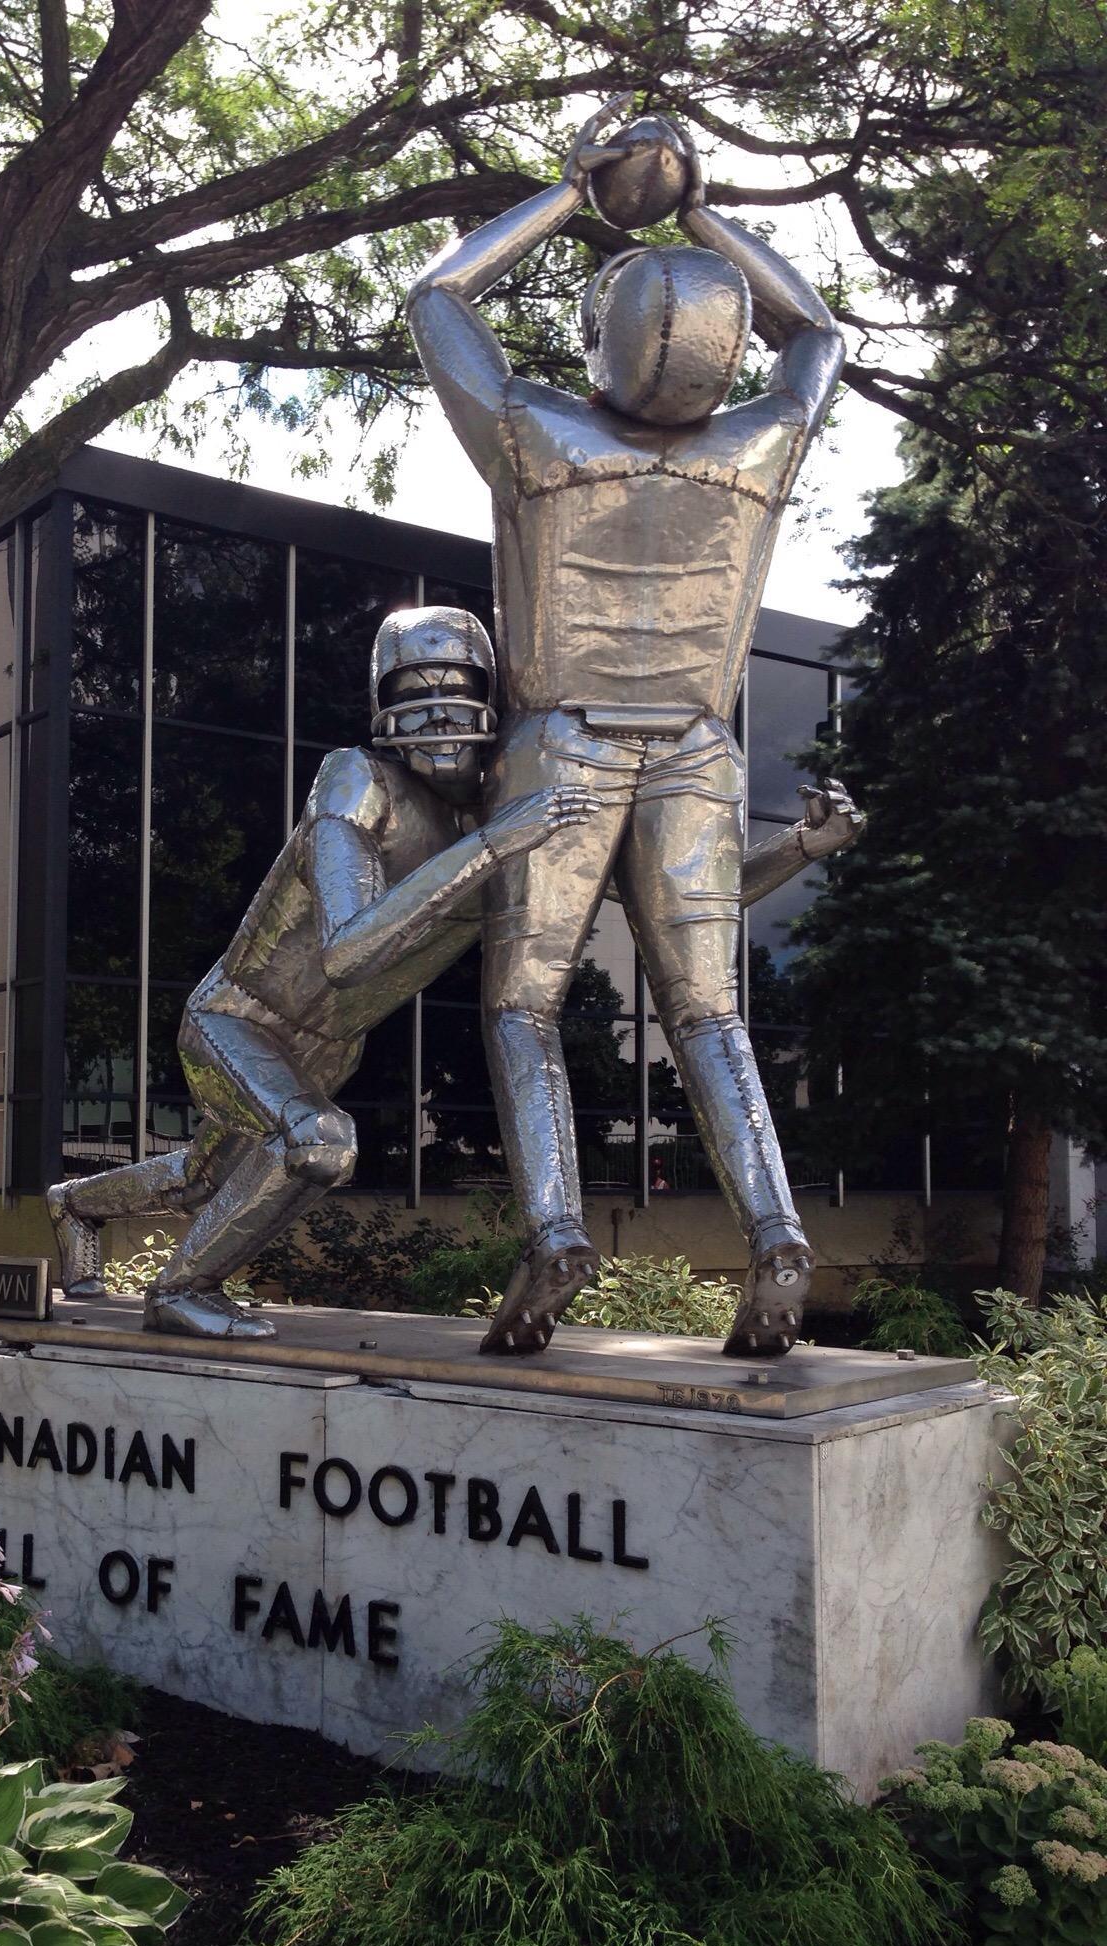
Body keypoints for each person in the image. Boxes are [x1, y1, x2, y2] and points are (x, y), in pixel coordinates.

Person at [407, 97, 847, 1359]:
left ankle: (553, 1228)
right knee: (711, 1015)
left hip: (565, 742)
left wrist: (574, 192)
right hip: (697, 749)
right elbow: (816, 330)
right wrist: (693, 198)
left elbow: (437, 301)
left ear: (608, 344)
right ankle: (773, 1230)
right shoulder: (760, 449)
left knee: (524, 1008)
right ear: (720, 352)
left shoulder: (540, 433)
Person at [46, 607, 602, 1339]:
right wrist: (496, 845)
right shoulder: (356, 780)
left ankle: (75, 1203)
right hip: (237, 1020)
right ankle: (181, 1288)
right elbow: (346, 953)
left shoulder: (505, 818)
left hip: (329, 1046)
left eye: (453, 686)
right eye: (412, 692)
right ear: (383, 706)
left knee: (202, 1179)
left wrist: (800, 847)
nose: (435, 712)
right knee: (318, 1141)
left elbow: (660, 896)